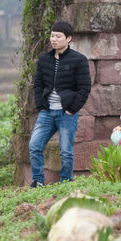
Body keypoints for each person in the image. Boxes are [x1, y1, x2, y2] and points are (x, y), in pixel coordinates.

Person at [29, 21, 91, 187]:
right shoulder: (44, 59)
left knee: (65, 151)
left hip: (66, 113)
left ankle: (65, 182)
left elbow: (85, 88)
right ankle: (38, 181)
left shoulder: (79, 60)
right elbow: (38, 84)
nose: (53, 39)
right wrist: (41, 107)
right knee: (34, 145)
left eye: (58, 36)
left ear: (68, 38)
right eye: (52, 35)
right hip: (47, 112)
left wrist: (71, 109)